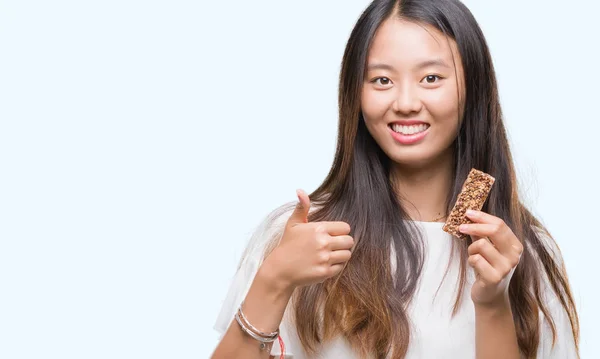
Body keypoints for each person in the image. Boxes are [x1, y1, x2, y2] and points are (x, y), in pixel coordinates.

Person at [210, 0, 579, 358]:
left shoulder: (523, 250)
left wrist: (494, 302)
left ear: (473, 89)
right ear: (356, 92)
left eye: (431, 78)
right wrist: (275, 278)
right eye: (382, 79)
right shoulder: (304, 233)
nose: (405, 102)